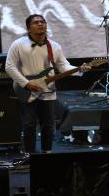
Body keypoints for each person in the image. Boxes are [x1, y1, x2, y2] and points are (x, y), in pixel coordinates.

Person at [5, 14, 91, 154]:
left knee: (48, 126)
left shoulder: (54, 46)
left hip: (48, 91)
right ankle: (29, 156)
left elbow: (64, 67)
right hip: (27, 91)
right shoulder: (18, 44)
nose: (40, 24)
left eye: (43, 22)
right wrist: (26, 84)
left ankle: (47, 154)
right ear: (28, 28)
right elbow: (9, 67)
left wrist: (79, 69)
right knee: (29, 125)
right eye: (36, 22)